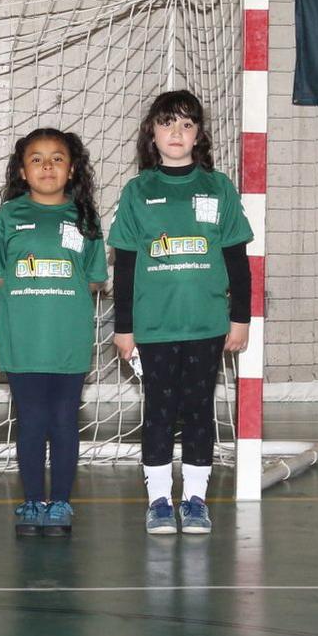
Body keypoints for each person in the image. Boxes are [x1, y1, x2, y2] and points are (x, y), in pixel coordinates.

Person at [108, 91, 252, 535]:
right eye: (167, 123)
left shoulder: (218, 187)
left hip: (206, 324)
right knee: (159, 411)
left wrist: (241, 318)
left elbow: (237, 261)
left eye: (187, 124)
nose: (177, 132)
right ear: (151, 132)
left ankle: (194, 498)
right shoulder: (138, 191)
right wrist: (124, 327)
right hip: (153, 327)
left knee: (197, 409)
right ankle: (157, 501)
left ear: (199, 135)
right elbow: (126, 266)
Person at [0, 128, 107, 534]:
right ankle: (29, 502)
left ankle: (60, 503)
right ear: (22, 171)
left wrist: (57, 285)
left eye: (56, 158)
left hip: (68, 340)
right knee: (32, 421)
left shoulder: (85, 217)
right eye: (36, 159)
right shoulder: (8, 216)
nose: (47, 166)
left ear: (72, 168)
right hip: (22, 340)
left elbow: (94, 279)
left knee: (62, 421)